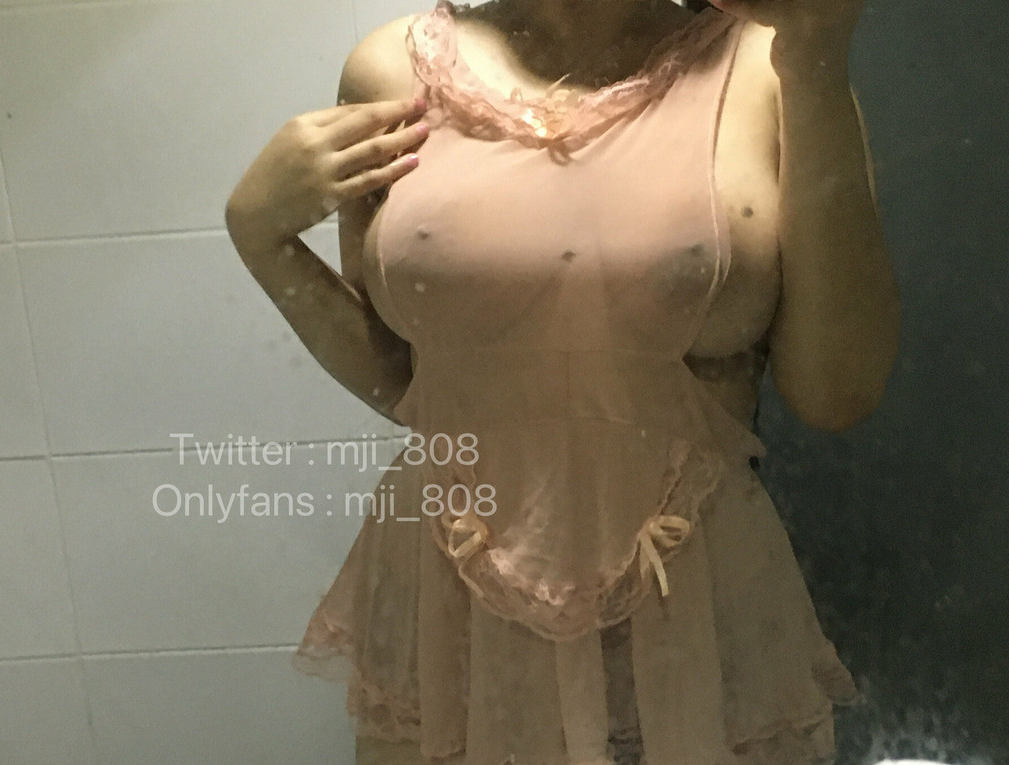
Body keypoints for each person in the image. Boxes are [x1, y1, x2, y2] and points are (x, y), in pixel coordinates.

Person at [225, 0, 900, 762]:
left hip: (699, 622)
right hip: (450, 613)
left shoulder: (768, 68)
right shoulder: (389, 72)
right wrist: (260, 236)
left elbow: (837, 392)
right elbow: (408, 383)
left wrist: (816, 58)